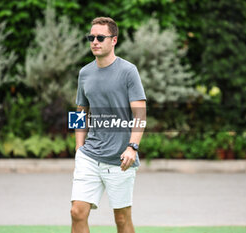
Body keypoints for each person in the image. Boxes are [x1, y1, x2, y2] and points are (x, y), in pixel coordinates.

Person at [70, 17, 146, 233]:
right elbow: (80, 111)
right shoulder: (84, 73)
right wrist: (78, 148)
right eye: (91, 37)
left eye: (100, 37)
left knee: (122, 220)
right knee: (77, 212)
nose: (95, 41)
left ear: (113, 40)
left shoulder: (128, 71)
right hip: (89, 155)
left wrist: (133, 146)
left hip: (120, 158)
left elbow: (140, 113)